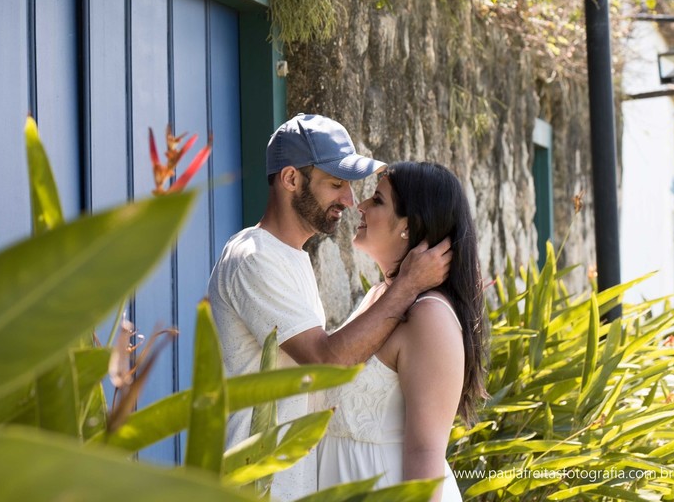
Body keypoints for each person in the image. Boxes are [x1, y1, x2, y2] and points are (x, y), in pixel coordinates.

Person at [207, 114, 452, 501]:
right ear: (291, 180)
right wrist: (407, 284)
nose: (350, 200)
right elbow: (326, 362)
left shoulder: (292, 257)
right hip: (256, 486)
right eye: (336, 184)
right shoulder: (254, 258)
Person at [316, 161, 487, 502]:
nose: (360, 206)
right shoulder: (379, 298)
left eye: (377, 200)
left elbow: (425, 453)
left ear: (409, 227)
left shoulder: (430, 318)